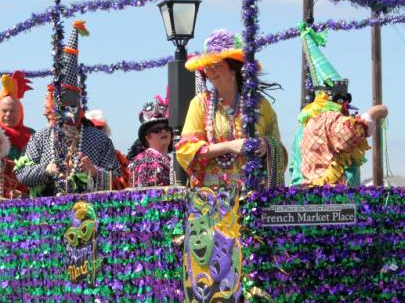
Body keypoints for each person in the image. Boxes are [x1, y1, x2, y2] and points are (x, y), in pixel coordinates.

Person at [16, 21, 119, 196]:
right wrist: (46, 170)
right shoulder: (40, 138)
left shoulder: (100, 140)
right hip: (47, 215)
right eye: (64, 107)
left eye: (73, 107)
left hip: (88, 216)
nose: (69, 113)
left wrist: (94, 172)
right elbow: (21, 174)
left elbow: (118, 179)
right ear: (54, 109)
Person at [176, 29, 287, 189]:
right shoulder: (200, 103)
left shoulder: (260, 104)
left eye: (217, 66)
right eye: (207, 67)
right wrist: (229, 146)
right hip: (213, 199)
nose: (210, 71)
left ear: (234, 68)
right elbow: (186, 150)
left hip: (253, 194)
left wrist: (266, 145)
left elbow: (278, 145)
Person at [289, 23, 388, 186]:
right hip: (331, 200)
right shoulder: (328, 116)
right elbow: (347, 134)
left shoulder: (304, 125)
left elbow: (294, 167)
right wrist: (374, 112)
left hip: (304, 194)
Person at [0, 71, 35, 160]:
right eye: (4, 111)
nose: (8, 114)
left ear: (20, 113)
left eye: (12, 111)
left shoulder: (32, 135)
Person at [128, 97, 173, 187]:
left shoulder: (171, 160)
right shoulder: (144, 161)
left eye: (166, 128)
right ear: (148, 137)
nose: (163, 132)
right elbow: (144, 196)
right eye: (157, 130)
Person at [85, 109, 130, 190]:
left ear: (105, 129)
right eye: (92, 127)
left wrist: (95, 172)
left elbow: (119, 181)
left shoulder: (118, 157)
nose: (95, 131)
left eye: (99, 127)